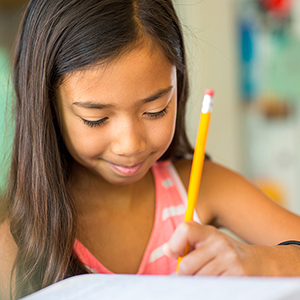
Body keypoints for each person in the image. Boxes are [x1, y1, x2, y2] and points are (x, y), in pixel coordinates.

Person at [1, 0, 300, 299]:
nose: (130, 144)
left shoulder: (203, 187)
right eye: (96, 119)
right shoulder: (15, 242)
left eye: (155, 110)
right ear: (48, 106)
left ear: (178, 86)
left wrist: (262, 261)